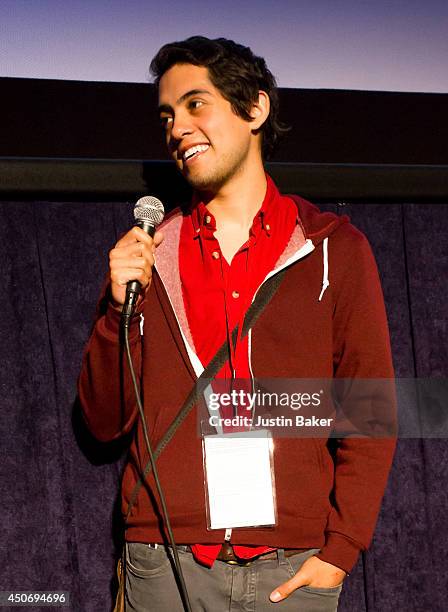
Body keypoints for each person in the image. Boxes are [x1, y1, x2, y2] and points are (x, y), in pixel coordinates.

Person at [78, 36, 396, 611]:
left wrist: (339, 552)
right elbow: (102, 424)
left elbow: (371, 411)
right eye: (168, 116)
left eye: (196, 105)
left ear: (255, 108)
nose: (177, 129)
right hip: (163, 563)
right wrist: (114, 315)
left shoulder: (333, 250)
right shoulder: (152, 255)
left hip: (294, 570)